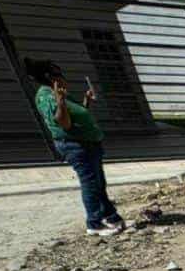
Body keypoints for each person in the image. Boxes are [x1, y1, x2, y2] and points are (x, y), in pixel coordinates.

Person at [25, 58, 124, 237]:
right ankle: (94, 223)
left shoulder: (58, 93)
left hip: (87, 144)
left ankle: (111, 217)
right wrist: (61, 101)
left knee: (98, 183)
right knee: (91, 184)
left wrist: (86, 101)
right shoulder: (47, 95)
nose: (63, 77)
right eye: (59, 74)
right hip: (76, 146)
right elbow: (63, 122)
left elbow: (78, 114)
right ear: (50, 77)